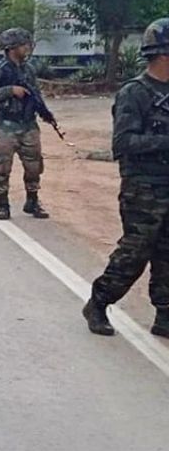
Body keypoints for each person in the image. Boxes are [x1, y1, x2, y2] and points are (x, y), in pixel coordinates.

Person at [83, 18, 169, 339]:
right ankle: (99, 302)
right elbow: (123, 144)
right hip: (143, 188)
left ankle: (164, 314)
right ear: (162, 54)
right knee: (136, 251)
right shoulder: (135, 93)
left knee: (167, 254)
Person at [0, 28, 50, 221]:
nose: (27, 48)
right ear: (12, 47)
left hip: (28, 124)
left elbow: (36, 94)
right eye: (23, 44)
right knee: (2, 167)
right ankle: (3, 206)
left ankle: (32, 201)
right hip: (6, 126)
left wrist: (44, 112)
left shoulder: (28, 69)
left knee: (34, 165)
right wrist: (11, 90)